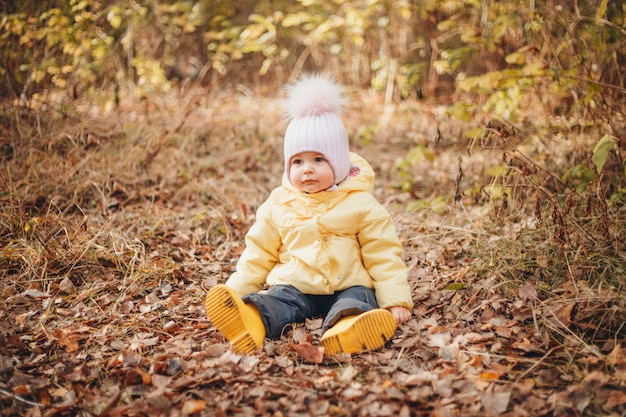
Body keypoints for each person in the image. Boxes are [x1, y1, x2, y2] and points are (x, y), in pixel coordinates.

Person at [205, 74, 413, 356]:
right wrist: (237, 292)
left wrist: (395, 300)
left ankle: (348, 329)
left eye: (319, 159)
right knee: (274, 301)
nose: (307, 169)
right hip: (295, 285)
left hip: (347, 285)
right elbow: (258, 253)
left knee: (359, 299)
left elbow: (383, 254)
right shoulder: (279, 203)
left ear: (338, 163)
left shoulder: (361, 203)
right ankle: (249, 320)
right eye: (298, 161)